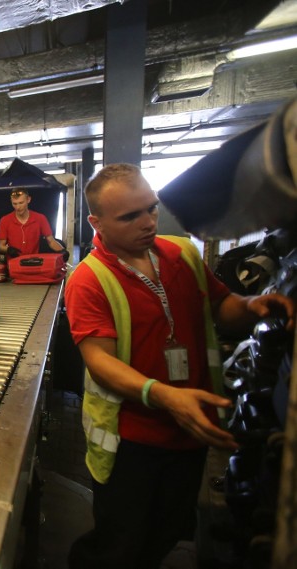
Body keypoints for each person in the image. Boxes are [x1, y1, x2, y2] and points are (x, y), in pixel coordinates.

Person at [64, 163, 294, 569]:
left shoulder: (182, 253)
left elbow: (220, 306)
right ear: (96, 222)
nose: (147, 223)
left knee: (168, 529)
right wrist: (162, 395)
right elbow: (99, 359)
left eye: (150, 209)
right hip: (131, 439)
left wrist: (252, 307)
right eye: (130, 216)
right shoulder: (89, 279)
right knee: (119, 542)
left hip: (188, 432)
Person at [0, 187, 65, 258]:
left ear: (28, 199)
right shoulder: (5, 220)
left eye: (21, 203)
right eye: (15, 204)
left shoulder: (40, 218)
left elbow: (51, 241)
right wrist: (8, 250)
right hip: (13, 264)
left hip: (34, 262)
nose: (18, 207)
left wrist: (63, 251)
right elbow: (1, 246)